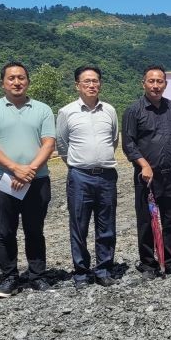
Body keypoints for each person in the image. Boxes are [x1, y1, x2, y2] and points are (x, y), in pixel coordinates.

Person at [0, 62, 56, 297]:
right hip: (2, 179)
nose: (16, 82)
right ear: (2, 82)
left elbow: (49, 143)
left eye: (21, 78)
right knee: (5, 231)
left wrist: (29, 170)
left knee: (35, 229)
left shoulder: (42, 109)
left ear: (28, 81)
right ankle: (9, 276)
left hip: (37, 179)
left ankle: (37, 275)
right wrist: (14, 169)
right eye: (11, 78)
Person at [56, 66, 119, 290]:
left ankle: (103, 269)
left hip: (107, 176)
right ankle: (81, 271)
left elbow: (113, 139)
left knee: (107, 226)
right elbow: (62, 144)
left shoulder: (109, 110)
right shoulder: (66, 112)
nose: (91, 85)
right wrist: (77, 164)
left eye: (95, 81)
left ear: (100, 84)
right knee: (79, 226)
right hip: (80, 176)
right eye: (86, 82)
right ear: (77, 85)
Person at [123, 65, 171, 279]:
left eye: (160, 82)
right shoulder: (134, 110)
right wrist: (144, 165)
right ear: (144, 83)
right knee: (147, 220)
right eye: (151, 81)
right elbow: (128, 144)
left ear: (165, 84)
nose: (156, 85)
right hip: (146, 176)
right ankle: (148, 263)